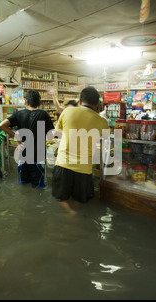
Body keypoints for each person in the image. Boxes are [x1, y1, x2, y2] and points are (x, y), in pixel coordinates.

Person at [52, 86, 109, 215]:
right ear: (97, 104)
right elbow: (105, 140)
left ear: (80, 101)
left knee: (61, 197)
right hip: (84, 169)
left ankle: (69, 212)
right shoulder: (102, 121)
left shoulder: (67, 111)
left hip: (63, 164)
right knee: (80, 199)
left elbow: (58, 132)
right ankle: (76, 211)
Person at [0, 89, 54, 188]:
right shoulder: (43, 114)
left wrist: (16, 136)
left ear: (26, 101)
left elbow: (2, 125)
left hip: (23, 156)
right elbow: (50, 135)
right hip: (38, 157)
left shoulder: (19, 114)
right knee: (38, 187)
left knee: (24, 185)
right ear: (39, 102)